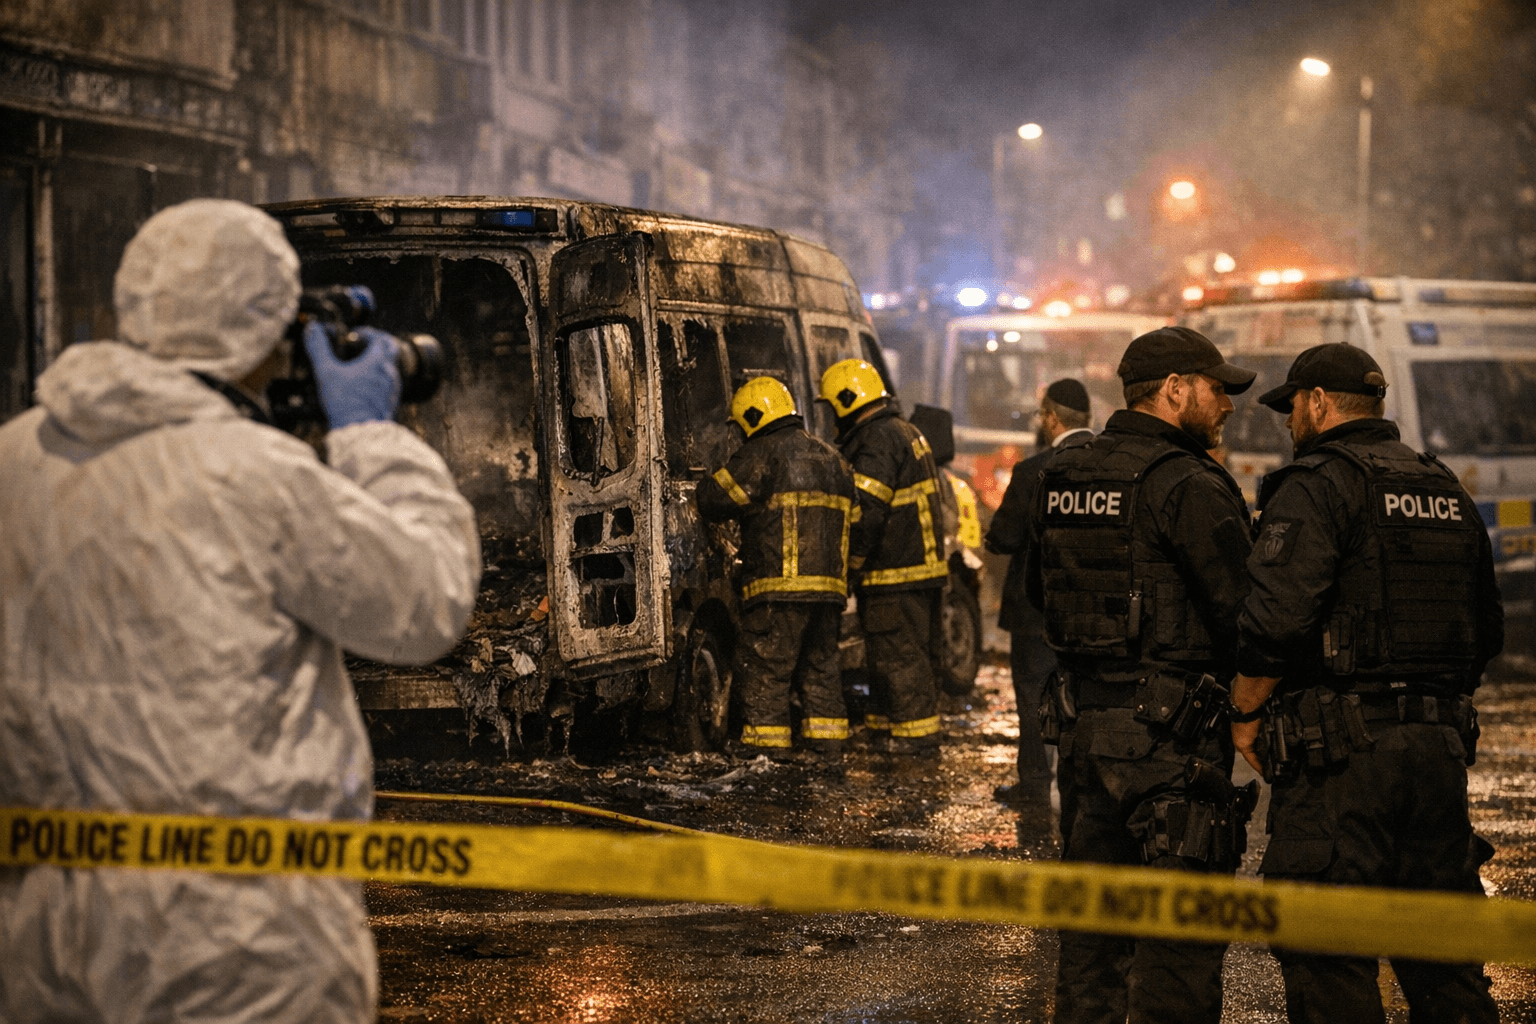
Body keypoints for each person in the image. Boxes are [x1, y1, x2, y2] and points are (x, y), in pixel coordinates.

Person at [0, 200, 481, 1023]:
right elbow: (426, 601)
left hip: (43, 932)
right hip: (238, 947)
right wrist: (373, 436)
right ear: (263, 328)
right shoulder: (252, 475)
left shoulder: (15, 459)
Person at [1229, 344, 1502, 1024]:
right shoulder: (1442, 485)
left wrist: (1244, 711)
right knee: (1444, 958)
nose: (1290, 419)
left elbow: (1275, 619)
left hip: (1340, 761)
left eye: (1292, 405)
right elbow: (1487, 628)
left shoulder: (1319, 482)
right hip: (1438, 755)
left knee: (1328, 953)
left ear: (1318, 402)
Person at [1025, 326, 1256, 1024]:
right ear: (1174, 390)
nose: (1227, 405)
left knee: (1093, 934)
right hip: (1172, 746)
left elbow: (1041, 593)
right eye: (1217, 389)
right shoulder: (1189, 482)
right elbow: (1242, 612)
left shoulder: (1066, 474)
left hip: (1085, 738)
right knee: (1179, 944)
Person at [696, 376, 857, 760]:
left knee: (766, 668)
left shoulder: (762, 453)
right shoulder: (834, 458)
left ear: (753, 416)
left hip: (779, 588)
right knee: (821, 668)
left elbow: (714, 499)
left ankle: (765, 751)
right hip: (829, 591)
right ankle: (828, 747)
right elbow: (859, 520)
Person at [820, 359, 949, 756]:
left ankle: (915, 743)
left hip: (894, 575)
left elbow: (866, 515)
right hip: (917, 574)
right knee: (897, 659)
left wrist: (848, 566)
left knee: (899, 660)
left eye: (831, 406)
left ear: (847, 399)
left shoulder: (876, 440)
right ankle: (888, 733)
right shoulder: (904, 432)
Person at [985, 378, 1094, 808]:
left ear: (1051, 418)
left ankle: (1034, 783)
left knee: (1032, 695)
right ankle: (1083, 786)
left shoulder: (1033, 471)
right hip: (1091, 611)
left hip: (1035, 611)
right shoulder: (1111, 465)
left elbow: (1002, 538)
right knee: (1086, 696)